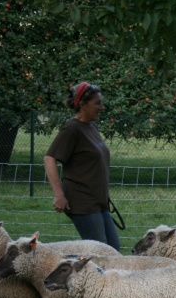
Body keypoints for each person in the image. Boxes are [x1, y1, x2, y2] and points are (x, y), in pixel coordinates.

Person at [43, 82, 121, 251]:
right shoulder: (72, 129)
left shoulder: (91, 126)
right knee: (101, 253)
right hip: (82, 201)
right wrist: (59, 195)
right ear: (83, 105)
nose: (102, 107)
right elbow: (49, 158)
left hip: (98, 201)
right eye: (97, 103)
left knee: (113, 248)